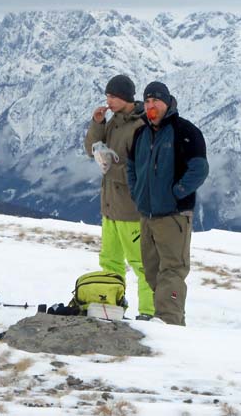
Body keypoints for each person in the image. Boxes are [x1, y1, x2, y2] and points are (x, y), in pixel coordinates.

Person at [127, 81, 208, 326]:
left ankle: (169, 324)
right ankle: (165, 319)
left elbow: (200, 169)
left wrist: (177, 192)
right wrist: (137, 192)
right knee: (152, 272)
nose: (151, 106)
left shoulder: (185, 132)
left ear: (167, 102)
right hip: (147, 215)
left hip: (174, 216)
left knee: (172, 271)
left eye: (156, 101)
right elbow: (131, 168)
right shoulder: (141, 133)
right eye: (148, 101)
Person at [84, 74, 155, 320]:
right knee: (110, 262)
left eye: (113, 96)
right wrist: (97, 123)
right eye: (107, 96)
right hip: (110, 208)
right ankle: (113, 307)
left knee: (141, 264)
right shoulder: (112, 121)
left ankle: (147, 311)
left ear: (125, 97)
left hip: (131, 210)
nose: (109, 100)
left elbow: (142, 171)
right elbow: (90, 150)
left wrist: (110, 168)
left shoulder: (140, 126)